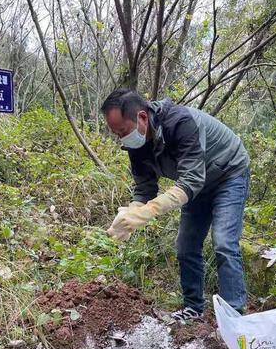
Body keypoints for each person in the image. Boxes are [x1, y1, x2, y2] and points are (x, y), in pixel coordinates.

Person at [102, 88, 250, 322]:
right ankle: (193, 308)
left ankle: (234, 315)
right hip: (195, 184)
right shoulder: (136, 145)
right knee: (185, 245)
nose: (121, 138)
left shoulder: (181, 123)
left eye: (122, 131)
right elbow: (145, 188)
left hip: (228, 174)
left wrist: (148, 212)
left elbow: (191, 180)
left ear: (142, 117)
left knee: (223, 241)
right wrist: (131, 213)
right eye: (116, 133)